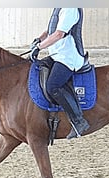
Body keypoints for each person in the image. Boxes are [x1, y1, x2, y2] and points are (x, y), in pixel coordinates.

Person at [30, 8, 90, 139]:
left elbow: (58, 34)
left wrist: (40, 47)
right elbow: (50, 30)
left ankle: (78, 122)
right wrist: (38, 40)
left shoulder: (70, 8)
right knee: (35, 67)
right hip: (57, 55)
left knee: (53, 86)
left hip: (68, 57)